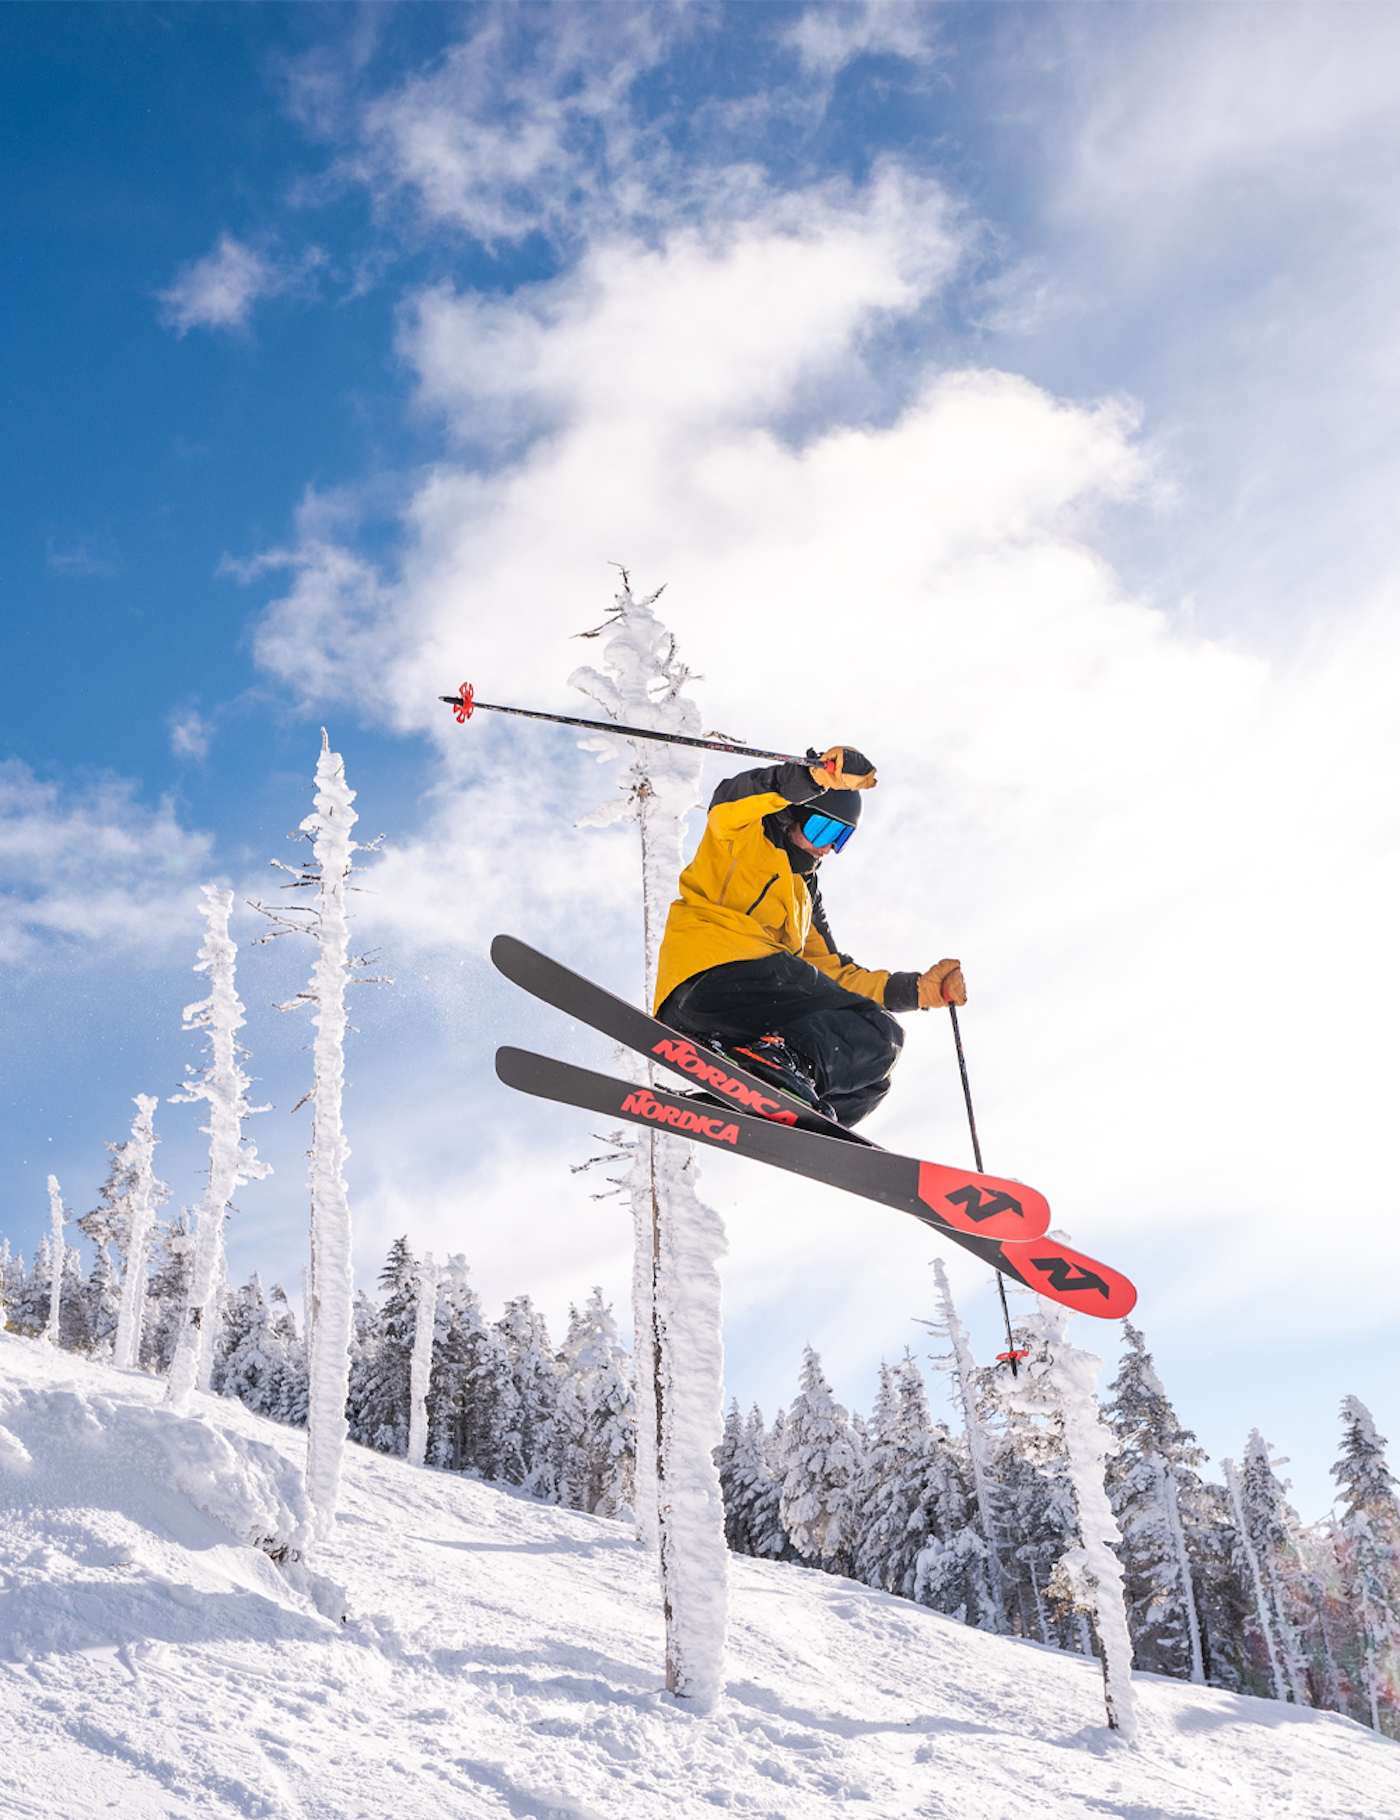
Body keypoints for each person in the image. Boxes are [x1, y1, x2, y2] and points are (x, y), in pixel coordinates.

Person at [654, 745, 966, 1127]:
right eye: (823, 828)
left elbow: (837, 976)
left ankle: (766, 1109)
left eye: (840, 838)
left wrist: (919, 991)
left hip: (720, 1018)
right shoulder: (742, 836)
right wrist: (812, 778)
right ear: (790, 814)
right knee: (878, 1031)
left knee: (869, 1074)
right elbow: (731, 800)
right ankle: (777, 1062)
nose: (826, 847)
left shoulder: (804, 895)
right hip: (714, 974)